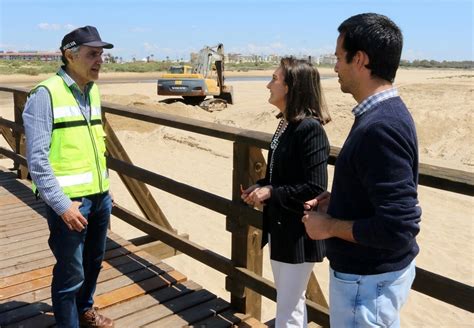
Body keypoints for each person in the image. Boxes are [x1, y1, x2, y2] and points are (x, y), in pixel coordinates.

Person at [302, 13, 421, 328]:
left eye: (340, 57)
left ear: (361, 60)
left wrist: (328, 227)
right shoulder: (383, 114)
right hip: (369, 281)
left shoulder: (381, 125)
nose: (335, 66)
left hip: (367, 284)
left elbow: (398, 227)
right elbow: (378, 191)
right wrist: (339, 199)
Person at [23, 26, 114, 328]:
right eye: (92, 54)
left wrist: (105, 190)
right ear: (69, 55)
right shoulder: (45, 94)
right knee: (70, 272)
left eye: (101, 54)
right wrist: (62, 205)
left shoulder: (93, 90)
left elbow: (95, 145)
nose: (99, 60)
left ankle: (85, 310)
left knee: (93, 262)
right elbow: (36, 160)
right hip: (70, 204)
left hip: (99, 198)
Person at [241, 57, 331, 327]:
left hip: (298, 232)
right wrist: (260, 185)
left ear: (291, 87)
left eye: (274, 79)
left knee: (289, 306)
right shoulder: (286, 124)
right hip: (282, 227)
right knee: (290, 301)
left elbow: (315, 186)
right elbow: (279, 175)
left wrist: (271, 192)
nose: (268, 85)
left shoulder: (309, 128)